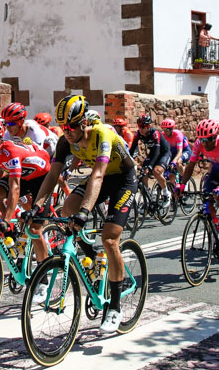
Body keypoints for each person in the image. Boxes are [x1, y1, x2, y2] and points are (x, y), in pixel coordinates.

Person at [26, 94, 137, 333]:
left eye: (72, 126)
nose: (67, 131)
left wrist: (86, 212)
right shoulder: (65, 142)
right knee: (68, 208)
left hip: (122, 180)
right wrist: (37, 207)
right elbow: (52, 176)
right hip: (102, 178)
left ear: (84, 122)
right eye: (63, 127)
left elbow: (97, 174)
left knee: (109, 239)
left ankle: (115, 307)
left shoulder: (102, 134)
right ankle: (91, 254)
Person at [179, 119, 219, 258]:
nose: (205, 143)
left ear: (216, 136)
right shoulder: (199, 144)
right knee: (207, 200)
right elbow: (190, 166)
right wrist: (181, 185)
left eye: (209, 139)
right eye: (203, 139)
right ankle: (217, 227)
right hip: (217, 170)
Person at [136, 115, 172, 209]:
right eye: (139, 127)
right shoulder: (138, 134)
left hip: (163, 153)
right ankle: (147, 199)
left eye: (142, 127)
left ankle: (166, 193)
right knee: (143, 173)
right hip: (153, 153)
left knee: (156, 171)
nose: (140, 129)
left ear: (148, 126)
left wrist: (150, 166)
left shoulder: (155, 133)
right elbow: (132, 149)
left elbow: (157, 151)